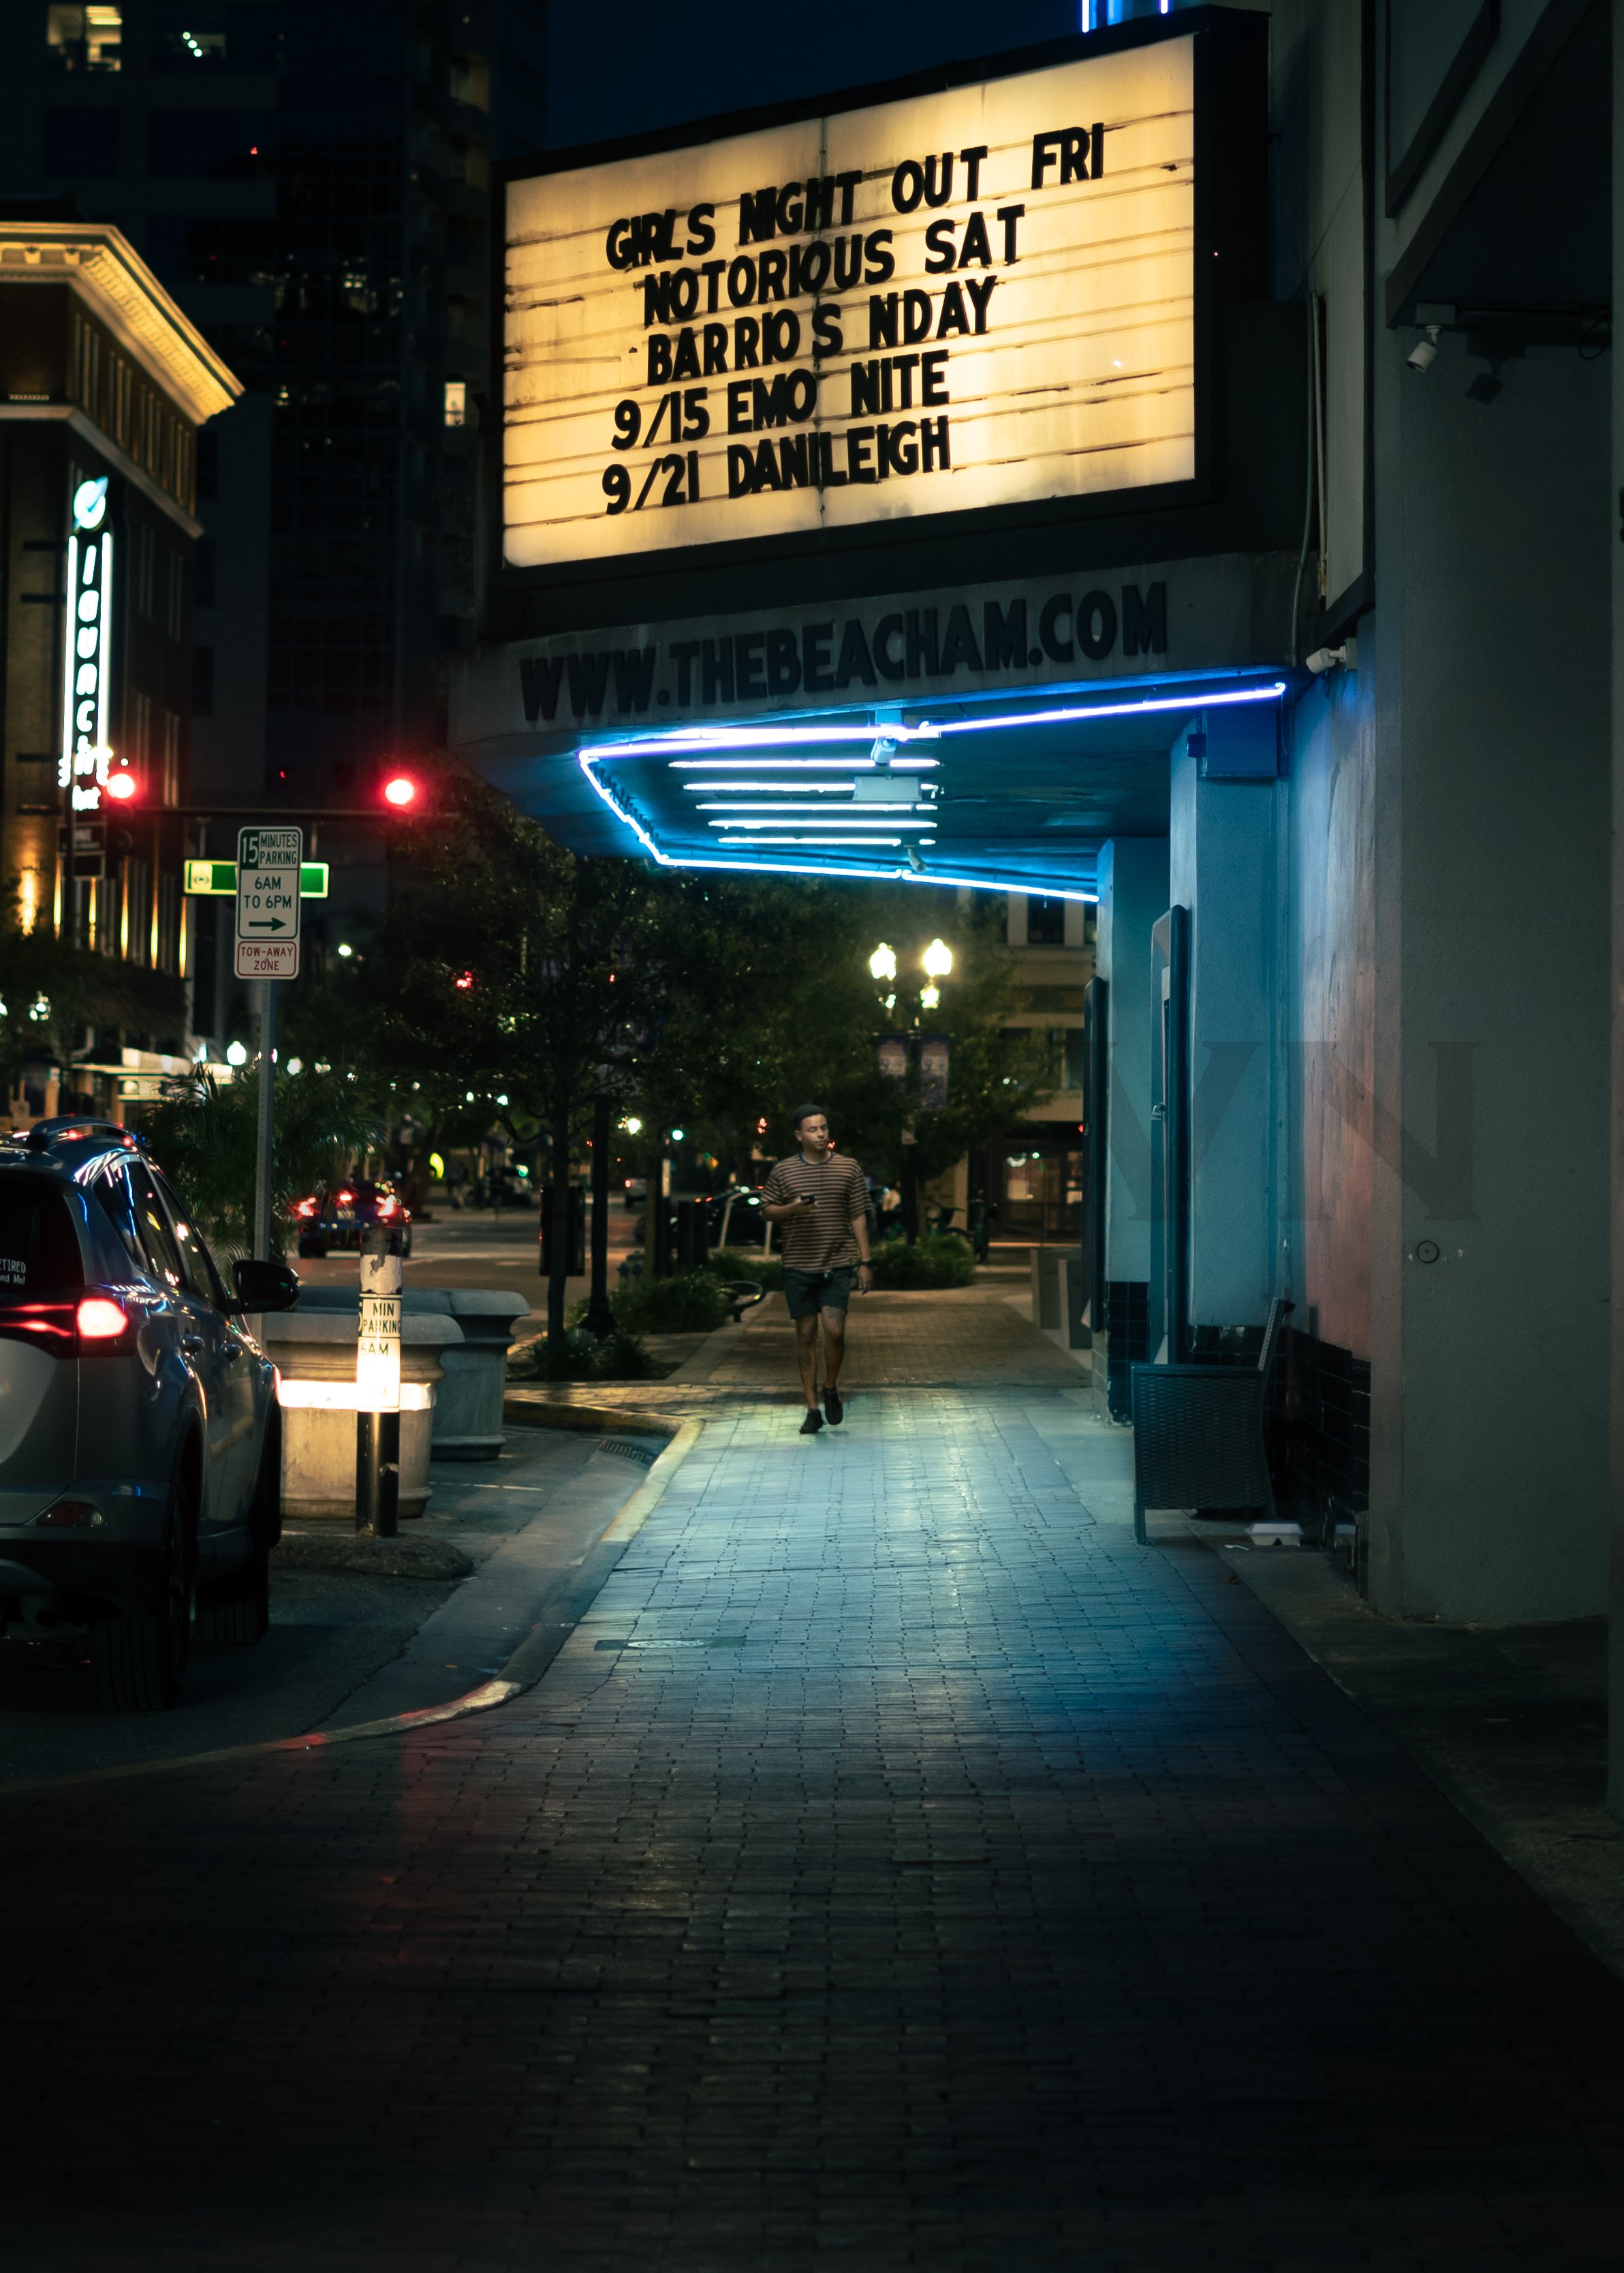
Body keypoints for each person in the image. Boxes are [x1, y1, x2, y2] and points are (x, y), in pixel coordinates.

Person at [762, 1103, 872, 1435]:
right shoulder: (783, 1171)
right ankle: (812, 1409)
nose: (821, 1134)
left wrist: (865, 1261)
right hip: (798, 1267)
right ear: (799, 1135)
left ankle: (831, 1387)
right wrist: (793, 1208)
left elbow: (858, 1215)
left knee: (835, 1332)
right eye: (813, 1129)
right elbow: (766, 1211)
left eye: (824, 1128)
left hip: (837, 1265)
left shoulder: (848, 1168)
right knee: (806, 1336)